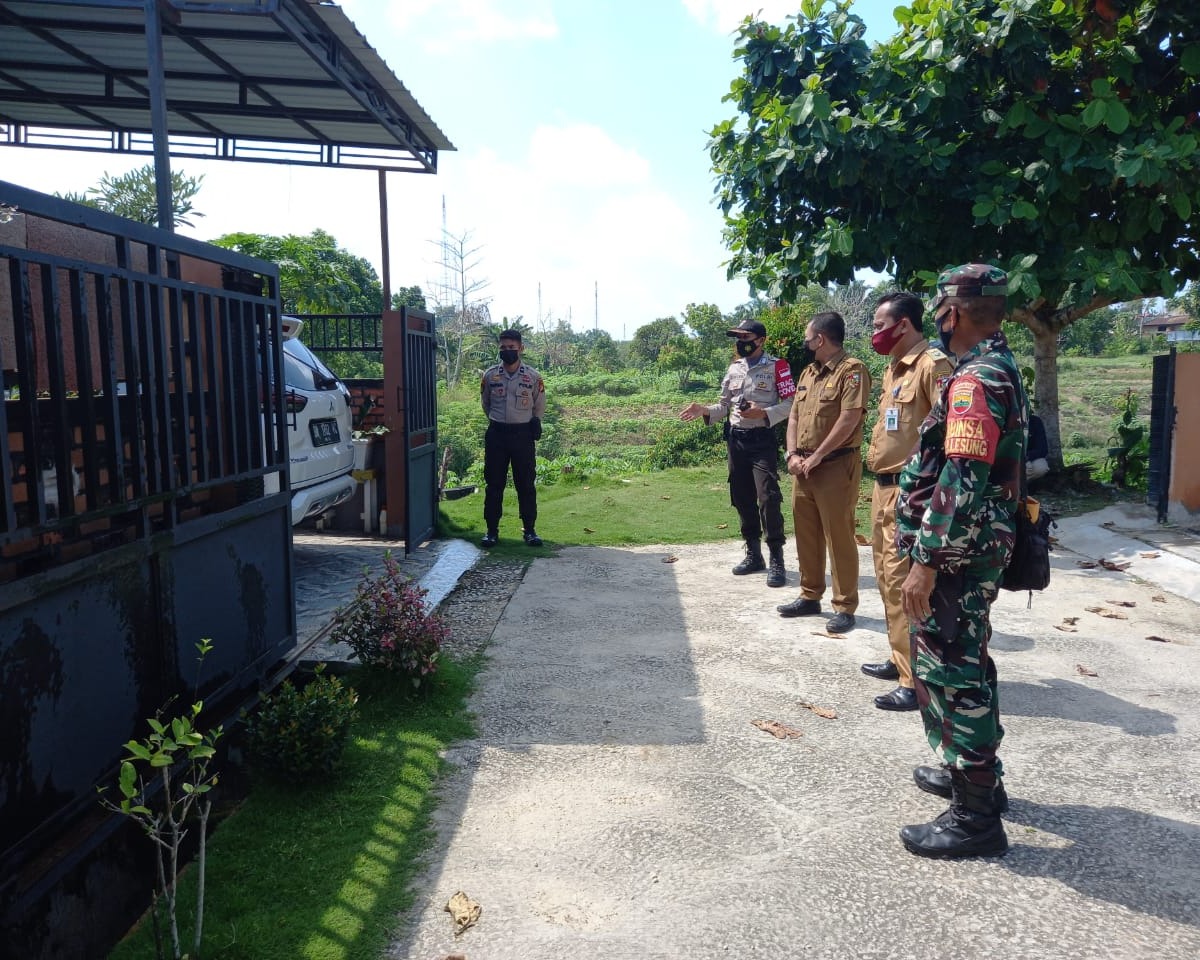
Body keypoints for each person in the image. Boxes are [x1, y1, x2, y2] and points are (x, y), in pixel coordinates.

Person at [895, 264, 1027, 859]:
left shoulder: (976, 380)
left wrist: (926, 559)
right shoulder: (999, 368)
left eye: (941, 308)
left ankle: (975, 817)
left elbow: (962, 475)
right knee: (966, 659)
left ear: (952, 311)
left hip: (955, 556)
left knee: (954, 670)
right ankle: (974, 777)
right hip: (970, 550)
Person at [862, 292, 955, 712]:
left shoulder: (932, 366)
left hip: (910, 492)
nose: (875, 334)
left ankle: (915, 678)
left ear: (903, 325)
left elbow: (948, 437)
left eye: (881, 326)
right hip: (883, 489)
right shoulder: (893, 369)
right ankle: (900, 656)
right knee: (886, 578)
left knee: (906, 585)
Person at [680, 319, 795, 587]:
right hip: (736, 441)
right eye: (737, 337)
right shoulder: (734, 369)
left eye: (746, 337)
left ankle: (776, 558)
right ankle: (753, 554)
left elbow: (791, 403)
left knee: (768, 497)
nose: (741, 342)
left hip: (761, 440)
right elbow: (724, 406)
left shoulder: (778, 366)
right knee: (742, 498)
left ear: (761, 340)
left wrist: (763, 413)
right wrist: (705, 411)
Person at [777, 311, 870, 633]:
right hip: (801, 467)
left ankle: (844, 606)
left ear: (820, 339)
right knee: (806, 533)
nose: (804, 342)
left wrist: (817, 456)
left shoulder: (852, 371)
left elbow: (850, 418)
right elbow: (793, 417)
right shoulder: (808, 373)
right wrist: (791, 454)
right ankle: (810, 594)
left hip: (834, 466)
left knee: (838, 535)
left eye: (807, 336)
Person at [480, 329, 545, 548]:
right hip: (497, 435)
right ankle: (491, 531)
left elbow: (539, 403)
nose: (507, 351)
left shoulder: (533, 377)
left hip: (522, 436)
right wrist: (498, 421)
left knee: (526, 484)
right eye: (503, 348)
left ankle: (530, 530)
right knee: (494, 484)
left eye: (512, 348)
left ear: (521, 348)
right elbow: (486, 404)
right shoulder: (490, 376)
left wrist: (534, 421)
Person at [1026, 413, 1050, 480]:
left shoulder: (1034, 421)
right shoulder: (1004, 419)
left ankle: (1021, 485)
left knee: (1041, 466)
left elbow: (1043, 449)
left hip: (1028, 460)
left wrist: (1026, 458)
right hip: (1007, 461)